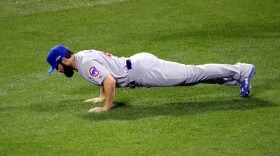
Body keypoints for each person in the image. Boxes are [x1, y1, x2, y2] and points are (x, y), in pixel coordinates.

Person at [46, 44, 255, 113]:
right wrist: (101, 97)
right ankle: (238, 78)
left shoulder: (83, 63)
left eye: (56, 67)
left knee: (192, 74)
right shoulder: (81, 57)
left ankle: (241, 70)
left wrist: (106, 108)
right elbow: (103, 76)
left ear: (62, 61)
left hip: (143, 70)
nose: (57, 71)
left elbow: (109, 81)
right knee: (193, 76)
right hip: (138, 66)